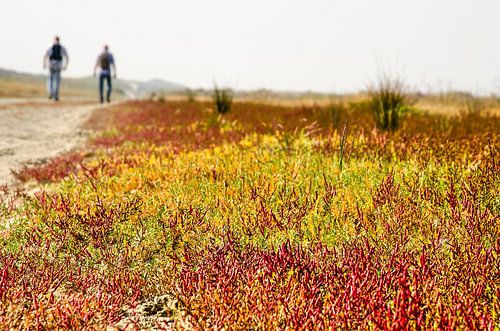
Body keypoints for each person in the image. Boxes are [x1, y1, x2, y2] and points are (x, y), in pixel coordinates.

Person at [43, 36, 69, 101]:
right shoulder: (62, 48)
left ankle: (52, 94)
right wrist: (65, 66)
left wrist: (44, 64)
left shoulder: (51, 47)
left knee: (51, 80)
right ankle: (55, 95)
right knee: (56, 81)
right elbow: (67, 57)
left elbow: (45, 56)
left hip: (51, 65)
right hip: (58, 65)